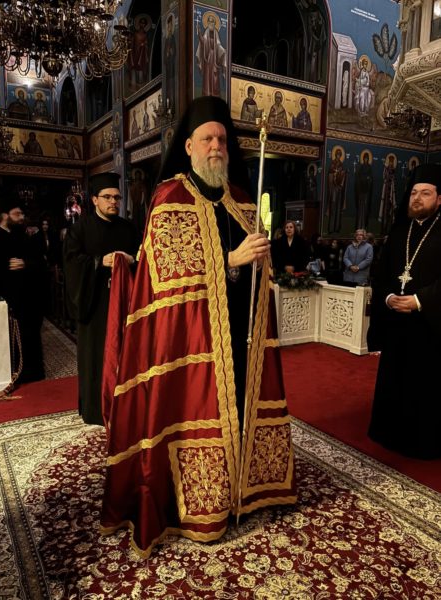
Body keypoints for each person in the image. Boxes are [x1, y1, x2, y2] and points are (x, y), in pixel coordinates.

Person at [100, 96, 297, 558]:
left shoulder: (242, 200)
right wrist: (230, 259)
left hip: (241, 332)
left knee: (244, 408)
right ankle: (202, 505)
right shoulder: (169, 198)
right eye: (207, 139)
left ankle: (244, 490)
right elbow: (166, 279)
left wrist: (261, 258)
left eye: (222, 140)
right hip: (192, 341)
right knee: (196, 416)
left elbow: (257, 267)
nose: (215, 147)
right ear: (188, 146)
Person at [367, 164, 441, 459]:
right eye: (413, 193)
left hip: (431, 327)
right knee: (396, 381)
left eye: (425, 193)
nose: (417, 198)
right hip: (398, 326)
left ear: (439, 199)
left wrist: (420, 301)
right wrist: (387, 298)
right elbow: (381, 274)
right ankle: (391, 433)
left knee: (425, 386)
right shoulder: (399, 232)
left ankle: (423, 441)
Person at [63, 173, 139, 426]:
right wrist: (99, 262)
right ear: (95, 200)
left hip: (125, 303)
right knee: (95, 356)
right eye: (107, 197)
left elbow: (145, 257)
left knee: (127, 354)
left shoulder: (129, 229)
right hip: (94, 304)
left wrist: (131, 260)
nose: (113, 202)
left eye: (117, 197)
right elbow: (72, 263)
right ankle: (96, 410)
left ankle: (126, 406)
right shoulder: (79, 229)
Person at [0, 198, 45, 383]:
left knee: (30, 337)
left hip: (28, 298)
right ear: (5, 215)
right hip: (4, 298)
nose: (22, 217)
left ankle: (33, 373)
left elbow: (40, 263)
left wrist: (26, 264)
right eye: (17, 214)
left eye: (22, 213)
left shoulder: (24, 237)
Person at [196, 12, 227, 97]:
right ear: (208, 23)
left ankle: (215, 94)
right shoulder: (206, 32)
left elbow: (218, 45)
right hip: (208, 58)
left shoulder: (216, 33)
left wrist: (223, 51)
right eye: (209, 22)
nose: (211, 24)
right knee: (207, 76)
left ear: (214, 23)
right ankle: (207, 93)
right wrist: (199, 33)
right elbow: (203, 42)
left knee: (215, 77)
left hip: (214, 59)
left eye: (212, 22)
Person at [326, 147, 347, 234]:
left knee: (338, 208)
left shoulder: (341, 164)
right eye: (337, 154)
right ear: (335, 155)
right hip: (333, 189)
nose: (338, 156)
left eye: (339, 155)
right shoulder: (332, 163)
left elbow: (343, 175)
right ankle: (331, 228)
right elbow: (330, 174)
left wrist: (343, 173)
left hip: (339, 189)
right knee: (333, 208)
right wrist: (335, 173)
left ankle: (337, 228)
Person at [354, 151, 373, 230]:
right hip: (361, 191)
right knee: (360, 208)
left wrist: (368, 179)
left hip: (366, 191)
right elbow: (357, 177)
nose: (366, 159)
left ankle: (364, 224)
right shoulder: (360, 167)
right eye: (365, 158)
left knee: (365, 208)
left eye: (367, 158)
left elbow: (371, 179)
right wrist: (363, 179)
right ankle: (359, 225)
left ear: (368, 159)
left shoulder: (369, 167)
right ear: (363, 159)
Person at [378, 154, 397, 235]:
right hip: (386, 194)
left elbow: (392, 179)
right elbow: (385, 177)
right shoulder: (386, 169)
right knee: (384, 212)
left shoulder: (393, 170)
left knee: (390, 212)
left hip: (390, 194)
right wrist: (386, 169)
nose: (391, 163)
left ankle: (388, 231)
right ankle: (383, 230)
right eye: (390, 161)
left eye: (392, 162)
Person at [163, 13, 177, 114]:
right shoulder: (167, 39)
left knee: (172, 85)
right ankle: (169, 106)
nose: (169, 28)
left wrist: (171, 52)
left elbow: (174, 51)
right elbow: (164, 53)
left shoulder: (172, 38)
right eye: (168, 26)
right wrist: (166, 55)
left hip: (172, 66)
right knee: (168, 86)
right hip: (168, 66)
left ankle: (172, 105)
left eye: (170, 26)